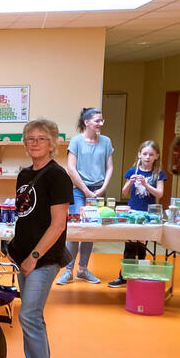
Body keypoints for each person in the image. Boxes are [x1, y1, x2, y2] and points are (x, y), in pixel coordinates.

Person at [7, 119, 73, 358]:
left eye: (41, 139)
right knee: (34, 316)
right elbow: (26, 216)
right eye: (30, 138)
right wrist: (15, 250)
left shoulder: (57, 176)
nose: (34, 143)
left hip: (43, 259)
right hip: (23, 257)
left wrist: (34, 257)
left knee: (29, 316)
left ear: (52, 144)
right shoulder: (24, 175)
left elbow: (58, 224)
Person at [58, 107, 113, 285]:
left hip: (98, 189)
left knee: (90, 231)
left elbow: (109, 167)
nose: (101, 124)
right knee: (76, 230)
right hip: (78, 190)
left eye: (102, 120)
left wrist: (102, 188)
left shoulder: (106, 141)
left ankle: (83, 269)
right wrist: (86, 191)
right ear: (86, 122)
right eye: (97, 120)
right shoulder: (76, 142)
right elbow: (71, 169)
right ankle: (68, 270)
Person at [108, 141, 166, 288]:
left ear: (156, 156)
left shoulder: (158, 174)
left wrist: (146, 185)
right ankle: (124, 276)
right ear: (139, 154)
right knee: (129, 246)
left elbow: (160, 193)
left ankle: (139, 275)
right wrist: (130, 182)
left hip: (148, 214)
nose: (147, 157)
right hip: (132, 212)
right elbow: (124, 192)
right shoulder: (133, 170)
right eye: (145, 154)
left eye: (151, 154)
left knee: (141, 247)